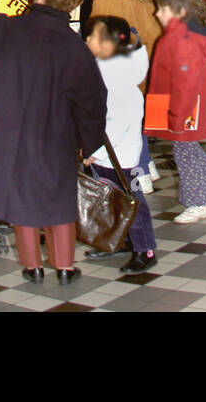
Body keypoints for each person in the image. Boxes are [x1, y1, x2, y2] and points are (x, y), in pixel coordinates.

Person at [0, 0, 106, 285]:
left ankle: (32, 267)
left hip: (11, 132)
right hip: (57, 137)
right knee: (59, 199)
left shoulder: (4, 31)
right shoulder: (74, 48)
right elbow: (91, 100)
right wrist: (87, 143)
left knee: (22, 197)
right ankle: (64, 267)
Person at [86, 0, 166, 191]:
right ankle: (147, 164)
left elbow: (103, 25)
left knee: (123, 113)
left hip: (123, 58)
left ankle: (139, 170)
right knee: (140, 109)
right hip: (152, 50)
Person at [148, 0, 206, 224]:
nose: (156, 14)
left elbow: (185, 82)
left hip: (183, 107)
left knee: (183, 153)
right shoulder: (184, 35)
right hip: (183, 105)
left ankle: (197, 203)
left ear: (178, 11)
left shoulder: (182, 39)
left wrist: (177, 114)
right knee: (190, 149)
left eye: (162, 9)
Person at [84, 15, 158, 274]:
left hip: (121, 156)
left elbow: (118, 121)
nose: (87, 40)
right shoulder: (105, 68)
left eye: (93, 37)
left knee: (132, 202)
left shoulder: (117, 79)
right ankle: (126, 241)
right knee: (114, 202)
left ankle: (145, 249)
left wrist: (95, 150)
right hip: (107, 155)